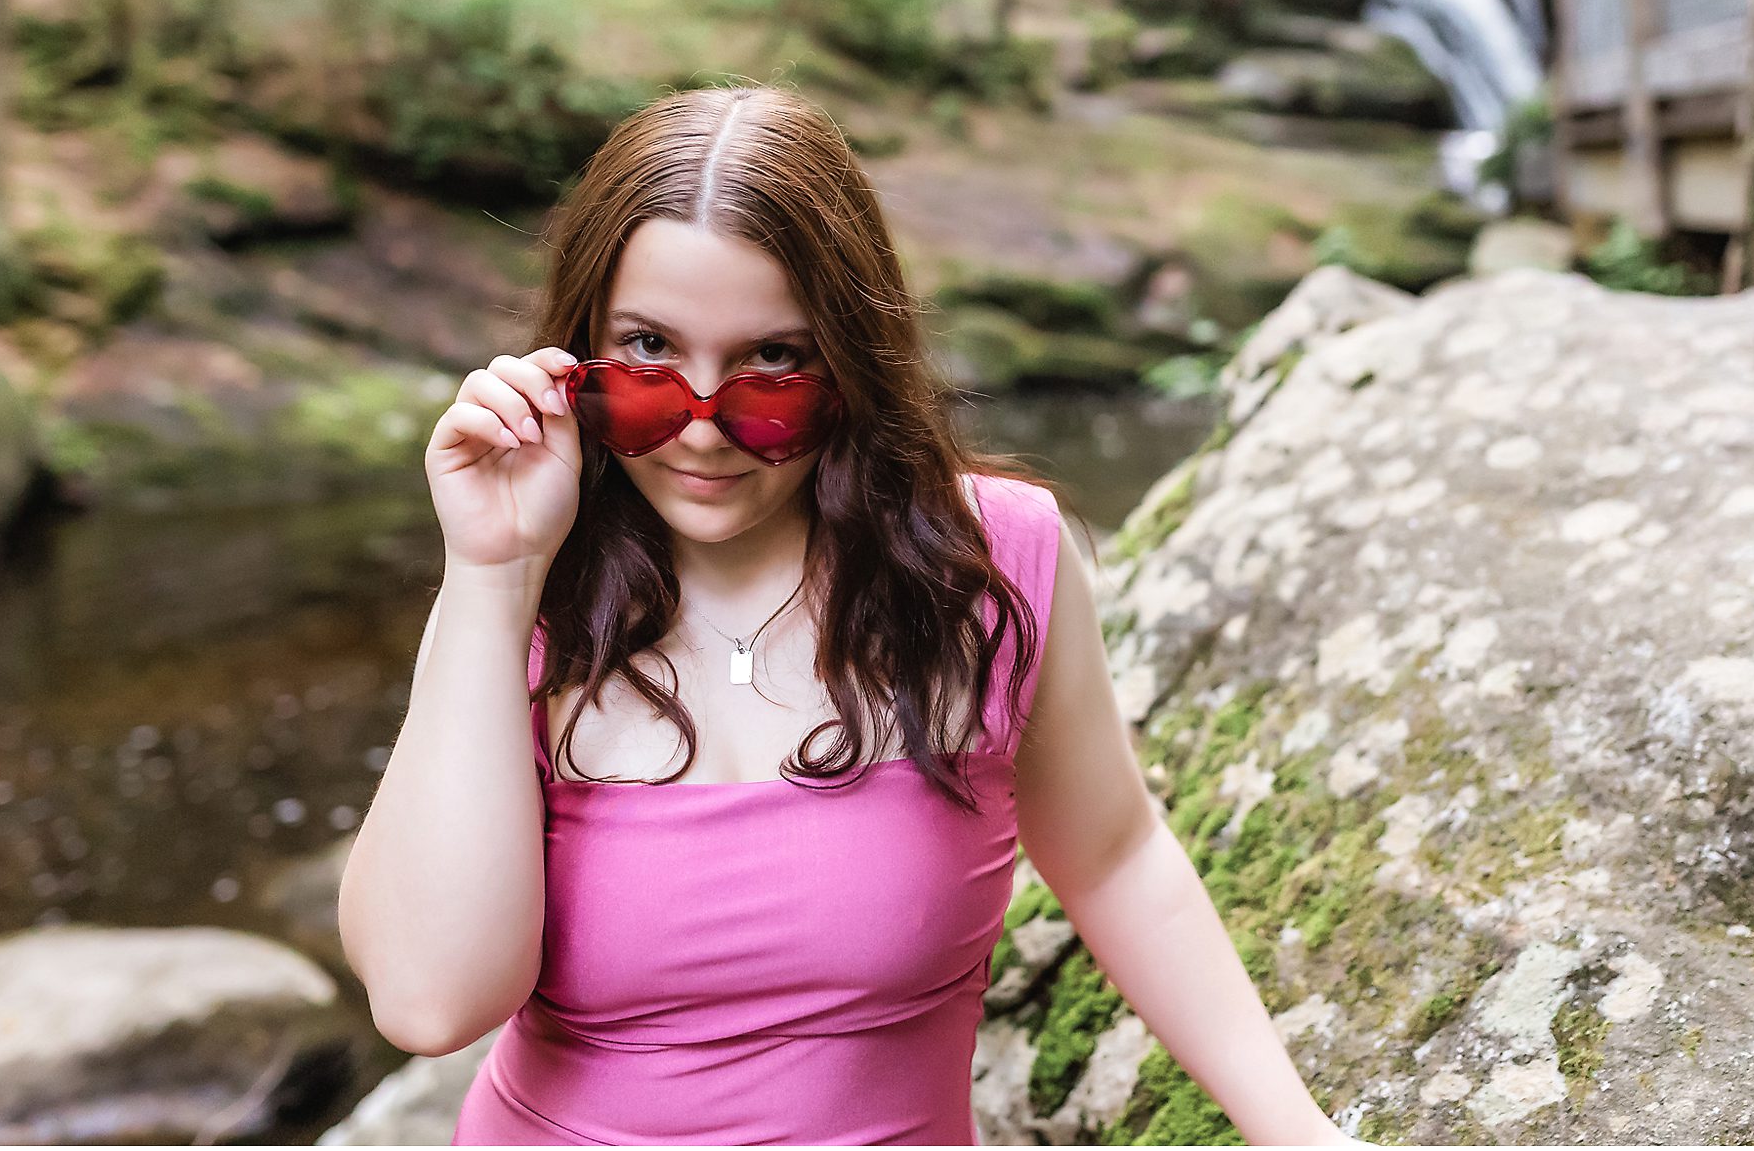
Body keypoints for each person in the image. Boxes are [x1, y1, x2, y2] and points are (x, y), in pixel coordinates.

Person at [337, 84, 1357, 1145]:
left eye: (770, 361)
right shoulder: (527, 592)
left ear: (850, 357)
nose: (700, 429)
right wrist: (491, 574)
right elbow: (428, 1002)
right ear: (578, 347)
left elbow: (1111, 855)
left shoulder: (988, 562)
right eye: (646, 354)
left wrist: (1300, 1132)